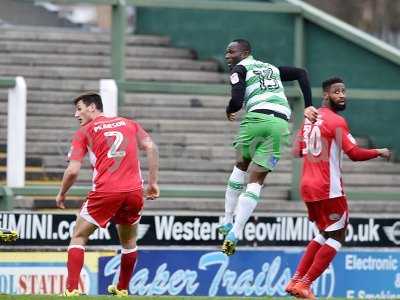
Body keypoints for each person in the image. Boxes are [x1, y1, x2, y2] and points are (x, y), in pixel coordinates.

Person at [286, 77, 391, 299]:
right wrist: (379, 151)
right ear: (326, 95)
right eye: (337, 91)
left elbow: (297, 150)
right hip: (327, 187)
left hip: (307, 186)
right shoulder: (336, 122)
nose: (342, 95)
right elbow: (354, 154)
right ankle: (305, 284)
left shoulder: (309, 119)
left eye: (344, 91)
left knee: (325, 232)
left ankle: (296, 280)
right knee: (338, 235)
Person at [219, 39, 318, 256]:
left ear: (244, 53)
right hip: (281, 123)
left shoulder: (240, 68)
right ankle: (236, 232)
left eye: (231, 51)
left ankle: (227, 221)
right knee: (257, 182)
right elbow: (301, 73)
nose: (227, 56)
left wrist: (230, 109)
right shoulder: (271, 69)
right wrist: (309, 103)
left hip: (257, 118)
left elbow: (236, 101)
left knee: (241, 166)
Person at [56, 92, 160, 297]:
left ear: (92, 107)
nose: (76, 114)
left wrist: (61, 193)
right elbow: (151, 147)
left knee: (78, 237)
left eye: (79, 108)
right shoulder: (130, 123)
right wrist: (153, 183)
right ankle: (122, 289)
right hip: (133, 192)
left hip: (105, 191)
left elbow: (73, 170)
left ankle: (71, 290)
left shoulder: (85, 131)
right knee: (129, 242)